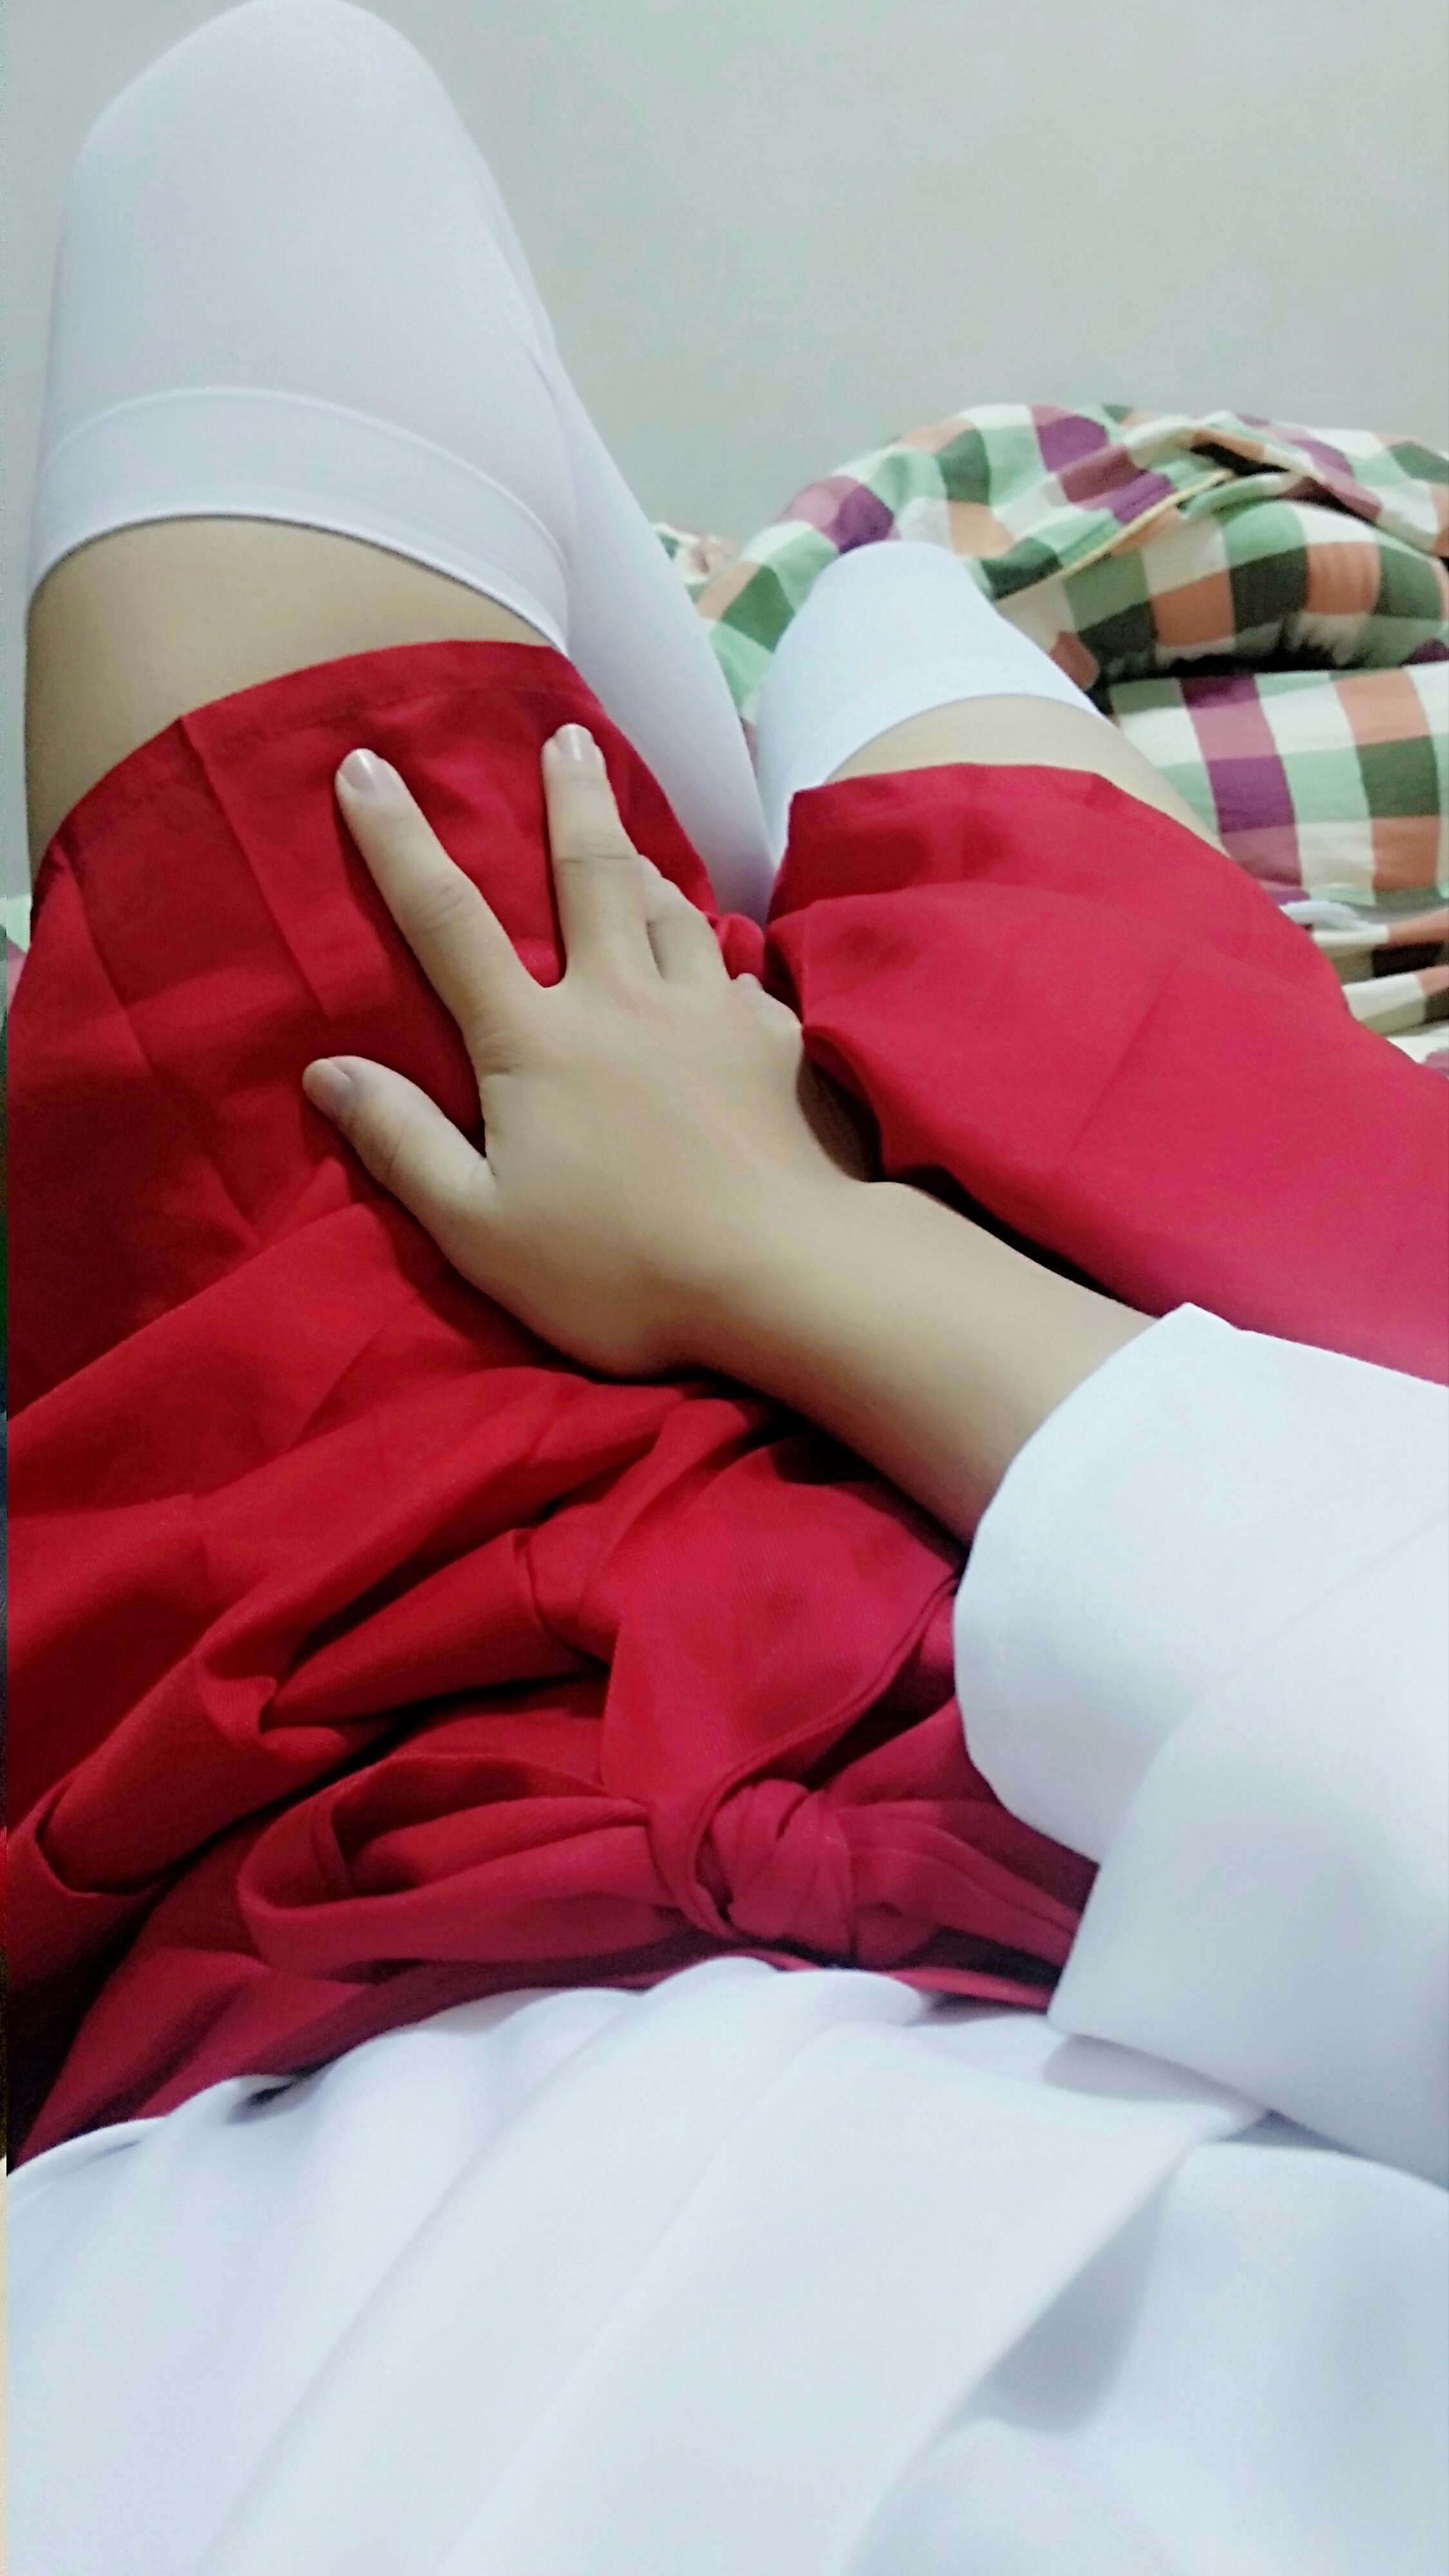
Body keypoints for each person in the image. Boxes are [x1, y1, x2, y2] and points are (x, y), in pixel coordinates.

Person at [8, 5, 1446, 2570]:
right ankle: (808, 789)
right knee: (896, 629)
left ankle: (763, 834)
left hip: (311, 1775)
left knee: (261, 138)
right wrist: (791, 1244)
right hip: (1240, 1594)